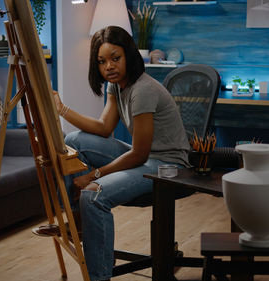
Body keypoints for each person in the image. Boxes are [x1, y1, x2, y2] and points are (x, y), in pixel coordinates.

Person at [35, 26, 190, 281]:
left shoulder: (143, 90)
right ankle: (78, 220)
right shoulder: (115, 86)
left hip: (168, 165)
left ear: (128, 55)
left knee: (93, 196)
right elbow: (105, 128)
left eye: (115, 58)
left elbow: (139, 155)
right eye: (102, 61)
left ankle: (99, 274)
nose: (109, 66)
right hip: (145, 157)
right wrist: (61, 109)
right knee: (73, 140)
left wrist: (93, 177)